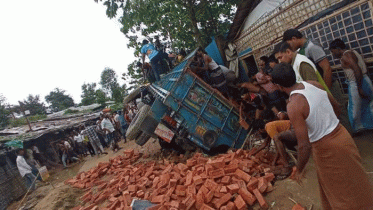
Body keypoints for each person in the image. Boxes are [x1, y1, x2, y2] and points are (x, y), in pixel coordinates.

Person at [271, 63, 373, 209]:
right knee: (355, 180)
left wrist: (299, 169)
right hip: (342, 136)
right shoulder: (314, 84)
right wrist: (331, 124)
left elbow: (304, 145)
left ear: (278, 86)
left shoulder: (293, 105)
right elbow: (336, 106)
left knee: (340, 192)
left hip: (327, 148)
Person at [283, 29, 352, 133]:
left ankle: (349, 140)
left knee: (340, 113)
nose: (289, 47)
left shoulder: (312, 47)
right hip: (322, 87)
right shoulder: (303, 49)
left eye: (288, 43)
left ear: (294, 38)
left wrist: (325, 91)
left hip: (329, 85)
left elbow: (327, 68)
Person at [329, 39, 373, 133]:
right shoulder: (352, 52)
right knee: (367, 106)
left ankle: (357, 130)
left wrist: (359, 88)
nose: (333, 54)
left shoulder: (346, 56)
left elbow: (357, 70)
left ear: (337, 48)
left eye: (333, 51)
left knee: (353, 111)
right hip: (364, 80)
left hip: (357, 82)